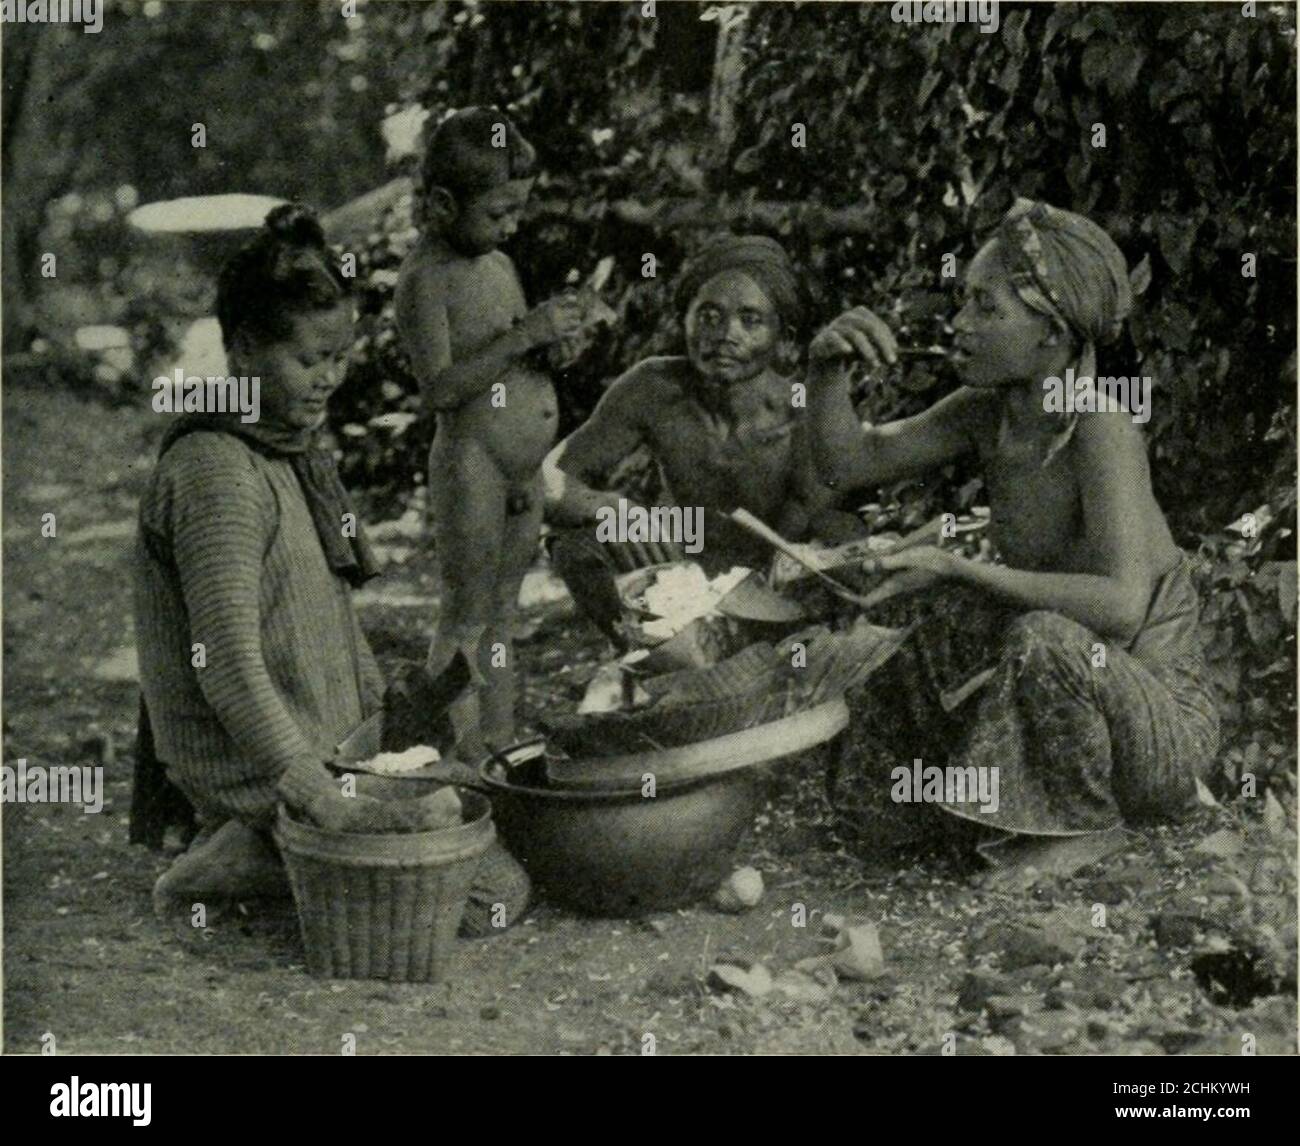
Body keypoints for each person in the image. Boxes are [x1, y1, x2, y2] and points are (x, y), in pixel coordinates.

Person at [136, 204, 529, 930]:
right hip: (263, 766)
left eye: (339, 358)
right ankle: (244, 853)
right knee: (485, 900)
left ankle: (283, 852)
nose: (328, 380)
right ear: (245, 351)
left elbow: (326, 619)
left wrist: (390, 724)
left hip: (327, 750)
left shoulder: (288, 451)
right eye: (308, 360)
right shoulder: (216, 472)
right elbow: (223, 659)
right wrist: (312, 790)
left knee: (492, 823)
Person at [805, 199, 1219, 873]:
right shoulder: (984, 413)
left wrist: (959, 566)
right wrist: (826, 372)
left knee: (1043, 637)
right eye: (963, 302)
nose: (959, 324)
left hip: (1157, 724)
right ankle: (913, 816)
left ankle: (1085, 827)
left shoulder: (1098, 427)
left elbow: (1119, 606)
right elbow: (844, 465)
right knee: (912, 623)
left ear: (1051, 334)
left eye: (985, 308)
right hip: (1079, 704)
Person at [545, 233, 857, 645]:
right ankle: (652, 660)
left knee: (845, 537)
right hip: (680, 573)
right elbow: (546, 480)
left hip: (775, 590)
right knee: (577, 545)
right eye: (709, 316)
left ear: (783, 337)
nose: (726, 334)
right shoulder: (652, 387)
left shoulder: (803, 410)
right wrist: (606, 506)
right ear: (684, 320)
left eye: (751, 320)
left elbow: (825, 522)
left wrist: (805, 560)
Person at [395, 107, 585, 762]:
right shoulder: (425, 281)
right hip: (472, 461)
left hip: (521, 469)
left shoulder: (499, 264)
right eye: (498, 214)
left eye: (516, 213)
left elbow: (509, 348)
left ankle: (497, 747)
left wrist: (551, 350)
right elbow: (441, 389)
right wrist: (526, 335)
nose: (511, 226)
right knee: (467, 614)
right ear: (444, 203)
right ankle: (456, 754)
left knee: (505, 612)